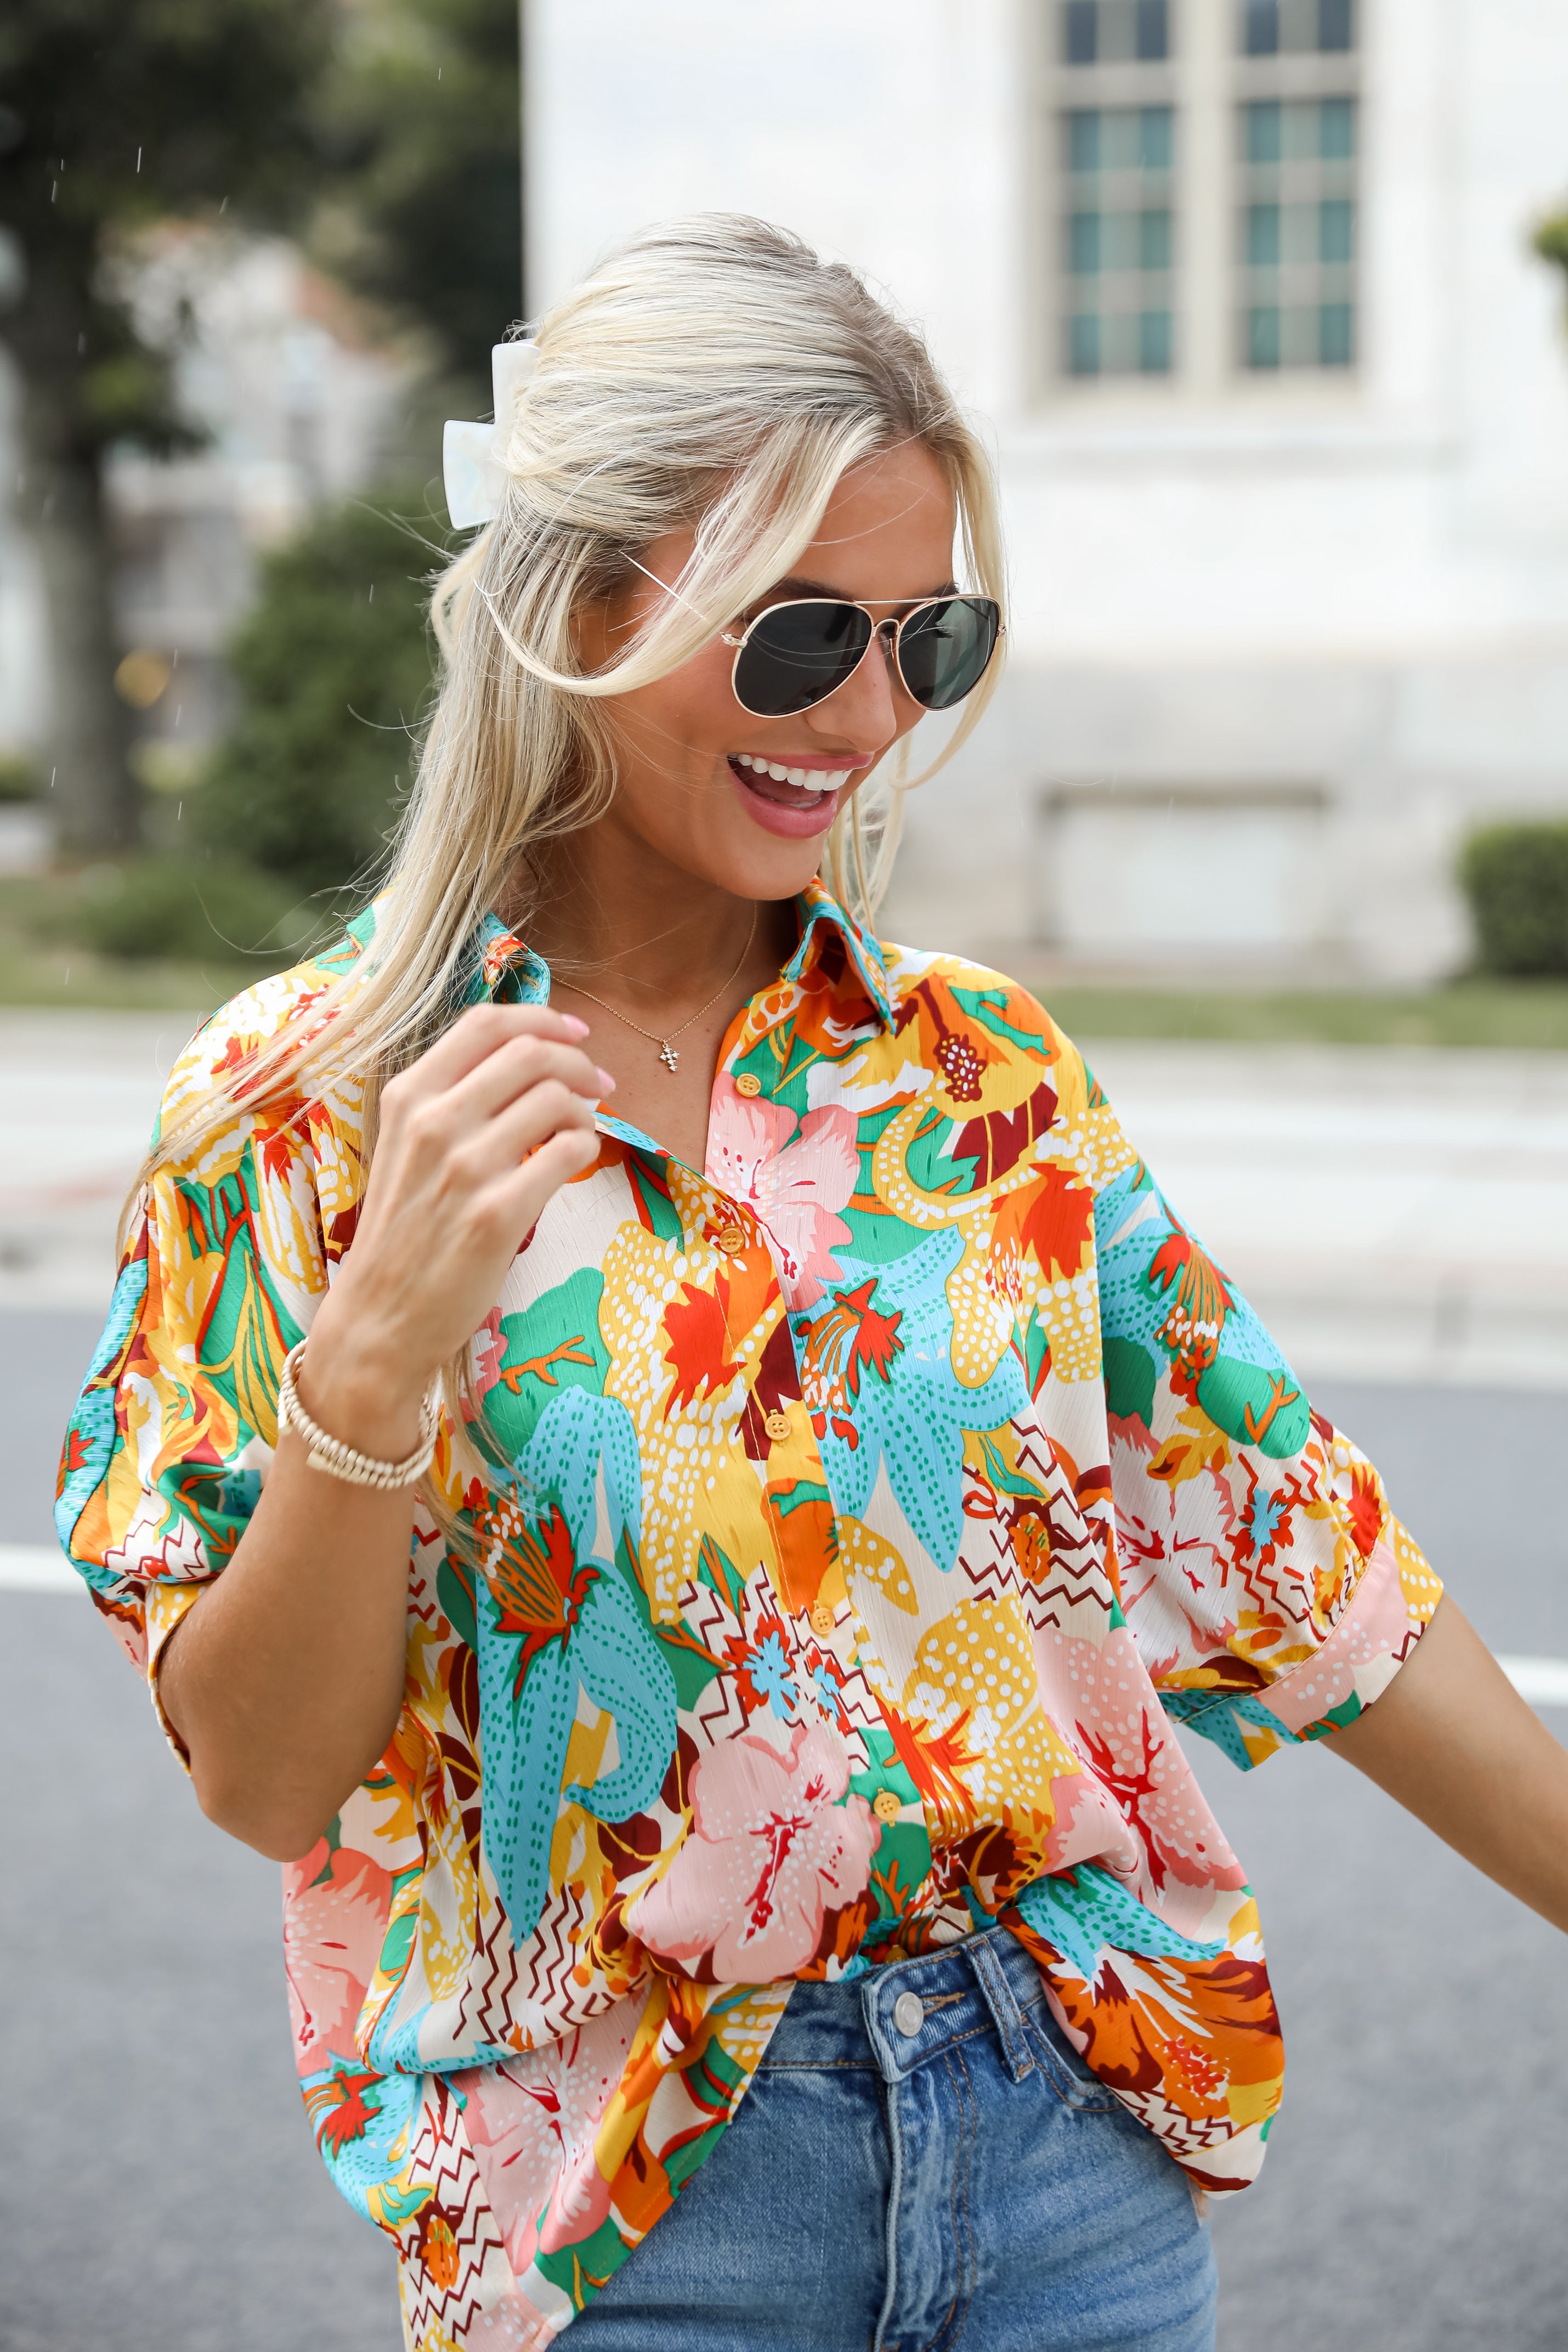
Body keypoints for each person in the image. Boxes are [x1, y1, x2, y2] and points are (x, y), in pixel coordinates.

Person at [59, 215, 1568, 2352]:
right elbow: (263, 1780)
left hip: (1072, 2160)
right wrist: (378, 1347)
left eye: (926, 643)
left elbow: (1307, 1558)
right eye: (793, 642)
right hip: (637, 2224)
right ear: (571, 603)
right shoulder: (299, 1104)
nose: (864, 716)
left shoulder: (982, 1078)